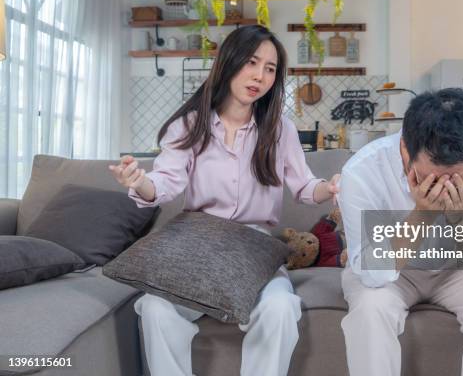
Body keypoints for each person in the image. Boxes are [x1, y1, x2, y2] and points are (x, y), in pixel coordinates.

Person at [109, 25, 339, 376]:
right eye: (251, 62)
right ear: (229, 62)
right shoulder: (189, 125)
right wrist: (140, 182)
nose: (259, 76)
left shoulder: (280, 129)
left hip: (255, 249)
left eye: (270, 69)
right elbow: (165, 183)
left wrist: (332, 187)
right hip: (196, 247)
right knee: (155, 307)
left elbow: (305, 187)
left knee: (279, 307)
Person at [338, 88, 463, 376]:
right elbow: (371, 273)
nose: (448, 188)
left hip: (457, 268)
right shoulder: (362, 172)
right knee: (371, 308)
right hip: (392, 272)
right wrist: (423, 213)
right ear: (404, 149)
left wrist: (460, 217)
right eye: (434, 178)